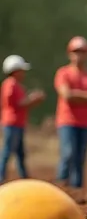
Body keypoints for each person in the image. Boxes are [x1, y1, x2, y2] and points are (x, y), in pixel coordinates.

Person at [54, 36, 87, 188]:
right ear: (70, 53)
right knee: (68, 154)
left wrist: (77, 96)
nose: (79, 55)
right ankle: (62, 185)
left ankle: (77, 189)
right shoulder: (63, 73)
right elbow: (67, 96)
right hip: (67, 121)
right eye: (76, 51)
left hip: (85, 122)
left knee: (80, 157)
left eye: (82, 51)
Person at [0, 55, 45, 183]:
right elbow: (17, 103)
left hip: (17, 123)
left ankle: (24, 178)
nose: (23, 73)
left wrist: (32, 100)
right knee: (7, 152)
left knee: (20, 153)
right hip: (11, 123)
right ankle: (1, 177)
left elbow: (22, 104)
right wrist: (32, 99)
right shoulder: (10, 84)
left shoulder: (16, 85)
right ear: (15, 70)